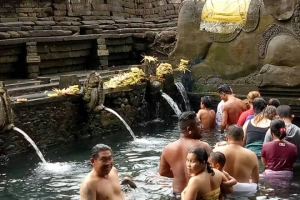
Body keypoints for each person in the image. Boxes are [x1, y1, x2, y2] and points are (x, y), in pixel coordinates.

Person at [159, 111, 213, 199]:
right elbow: (213, 171)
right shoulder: (203, 146)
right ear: (189, 129)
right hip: (198, 196)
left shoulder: (167, 148)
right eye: (198, 124)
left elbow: (162, 172)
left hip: (177, 195)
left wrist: (179, 174)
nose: (202, 127)